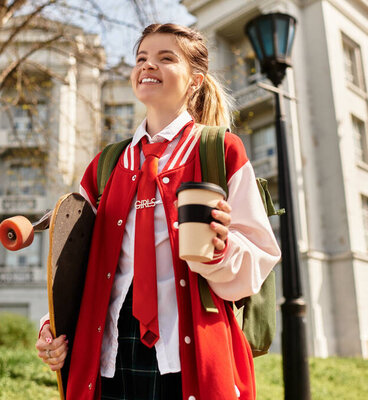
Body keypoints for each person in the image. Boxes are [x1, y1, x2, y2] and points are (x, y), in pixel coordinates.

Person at [35, 23, 281, 400]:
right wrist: (53, 326)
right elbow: (72, 264)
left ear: (195, 81)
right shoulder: (106, 165)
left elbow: (257, 265)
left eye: (166, 58)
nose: (148, 65)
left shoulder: (220, 152)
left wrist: (219, 248)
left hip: (190, 359)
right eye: (142, 58)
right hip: (109, 356)